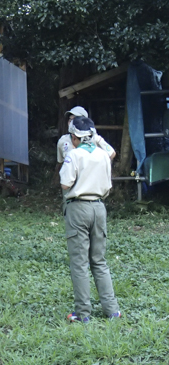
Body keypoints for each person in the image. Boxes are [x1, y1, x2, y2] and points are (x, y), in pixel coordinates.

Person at [59, 116, 121, 323]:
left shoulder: (74, 155)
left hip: (78, 208)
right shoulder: (103, 155)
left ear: (75, 137)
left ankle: (83, 313)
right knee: (99, 261)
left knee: (79, 263)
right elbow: (112, 152)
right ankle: (112, 310)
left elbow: (66, 184)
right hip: (99, 208)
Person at [55, 106, 116, 178]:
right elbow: (60, 162)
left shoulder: (94, 138)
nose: (71, 123)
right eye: (70, 120)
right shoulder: (63, 140)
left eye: (74, 119)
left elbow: (111, 153)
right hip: (70, 183)